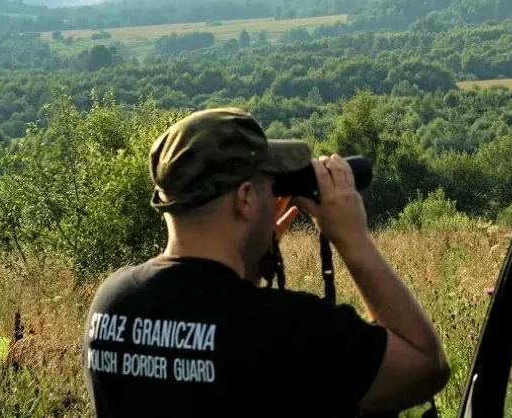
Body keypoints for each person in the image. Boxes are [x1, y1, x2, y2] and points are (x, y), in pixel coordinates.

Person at [82, 107, 450, 417]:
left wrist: (252, 254)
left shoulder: (112, 305)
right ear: (244, 199)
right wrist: (353, 241)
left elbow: (212, 324)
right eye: (269, 185)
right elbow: (426, 366)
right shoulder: (290, 328)